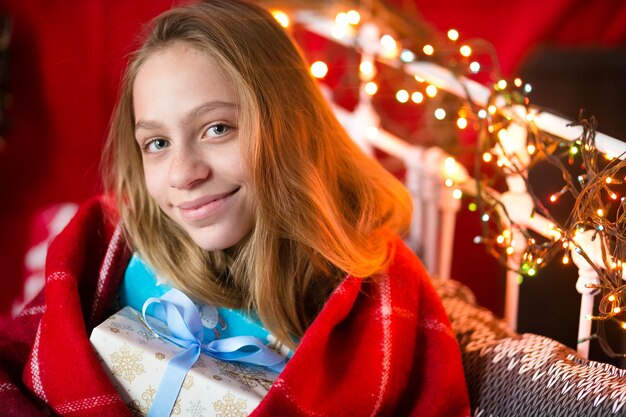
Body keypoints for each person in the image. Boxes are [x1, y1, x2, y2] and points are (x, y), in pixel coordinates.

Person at [0, 1, 470, 416]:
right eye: (157, 142)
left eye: (217, 128)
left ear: (292, 126)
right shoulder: (110, 256)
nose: (184, 174)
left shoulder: (376, 301)